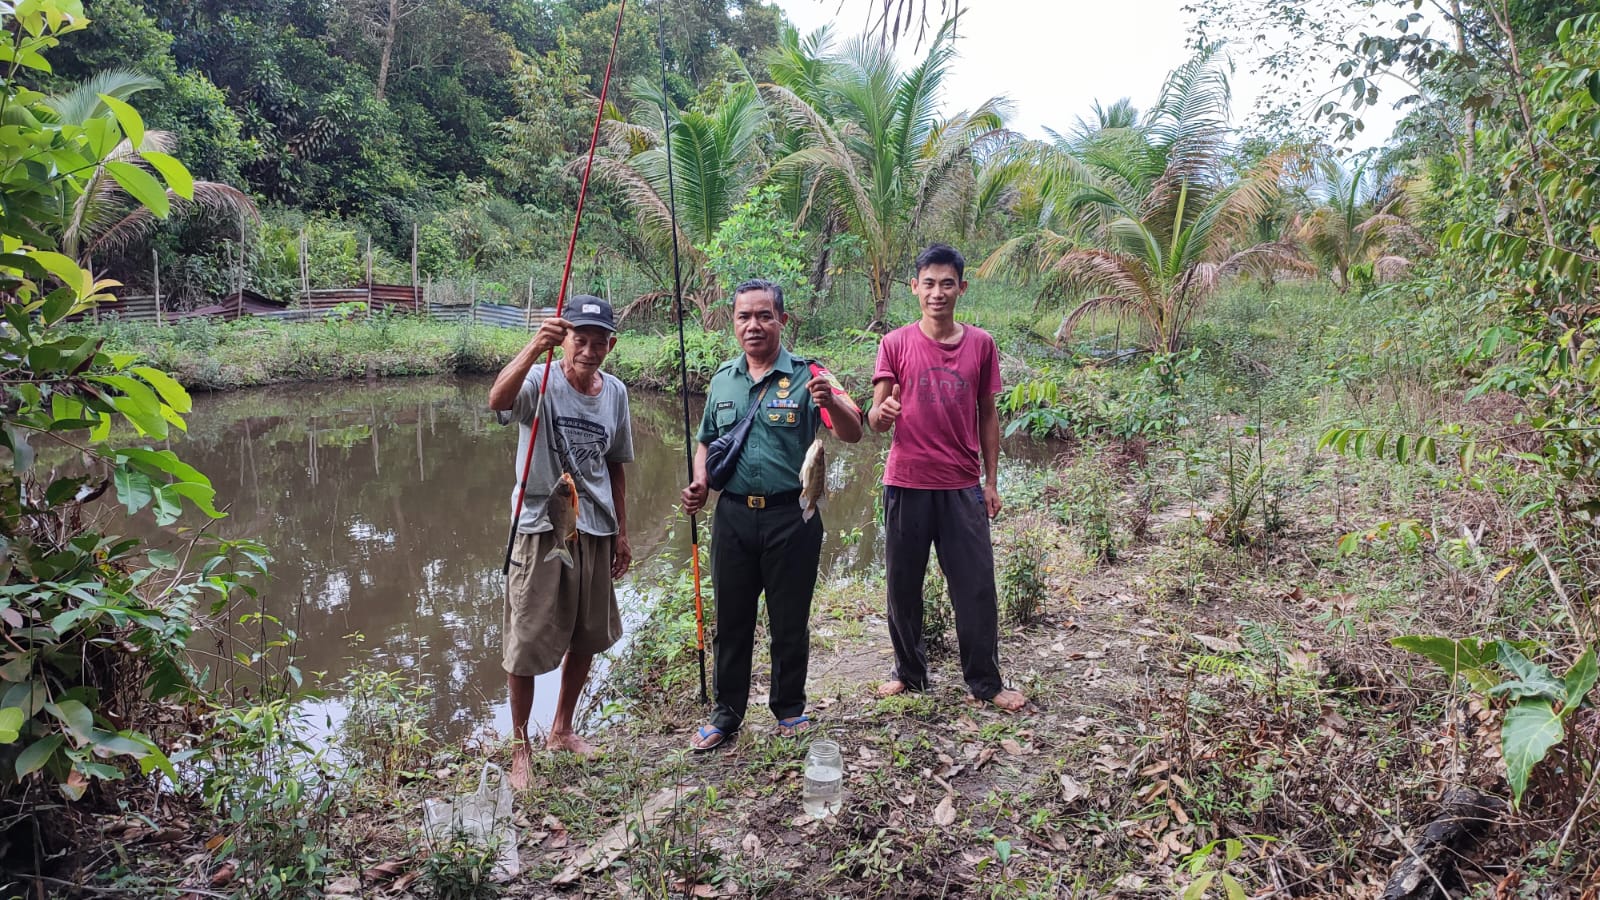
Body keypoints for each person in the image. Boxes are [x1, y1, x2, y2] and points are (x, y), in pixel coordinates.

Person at [681, 279, 863, 750]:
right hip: (734, 517)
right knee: (732, 617)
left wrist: (832, 401)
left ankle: (789, 709)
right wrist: (701, 481)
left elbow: (854, 430)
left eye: (764, 315)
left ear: (782, 319)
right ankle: (727, 713)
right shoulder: (722, 379)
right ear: (733, 323)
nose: (754, 325)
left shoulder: (811, 375)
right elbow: (705, 440)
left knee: (789, 618)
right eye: (744, 316)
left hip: (794, 515)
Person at [867, 244, 1027, 712]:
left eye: (947, 283)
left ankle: (985, 681)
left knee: (976, 586)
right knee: (902, 584)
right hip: (906, 482)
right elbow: (875, 418)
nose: (938, 292)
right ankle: (909, 673)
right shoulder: (894, 343)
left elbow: (988, 414)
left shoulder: (982, 344)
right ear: (914, 287)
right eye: (929, 283)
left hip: (961, 487)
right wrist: (884, 412)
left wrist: (991, 481)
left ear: (962, 287)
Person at [488, 294, 634, 788]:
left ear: (610, 345)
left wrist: (622, 532)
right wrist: (534, 346)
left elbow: (614, 464)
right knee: (526, 641)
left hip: (594, 527)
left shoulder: (614, 393)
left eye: (599, 342)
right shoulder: (540, 380)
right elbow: (497, 401)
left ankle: (562, 729)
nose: (589, 350)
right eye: (579, 339)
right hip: (539, 527)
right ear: (564, 338)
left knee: (587, 634)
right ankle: (519, 747)